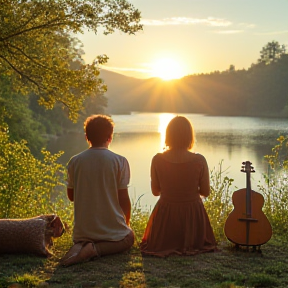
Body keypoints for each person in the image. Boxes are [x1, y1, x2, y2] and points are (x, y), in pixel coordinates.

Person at [60, 114, 134, 266]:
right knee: (129, 238)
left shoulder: (75, 161)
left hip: (83, 233)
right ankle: (95, 249)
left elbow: (71, 196)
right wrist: (126, 224)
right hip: (111, 233)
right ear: (110, 137)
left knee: (83, 239)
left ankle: (81, 246)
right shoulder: (119, 161)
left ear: (87, 137)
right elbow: (123, 199)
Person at [140, 116, 217, 257]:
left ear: (168, 135)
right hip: (192, 215)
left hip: (166, 216)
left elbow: (155, 192)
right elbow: (206, 191)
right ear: (189, 136)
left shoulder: (157, 159)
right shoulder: (199, 160)